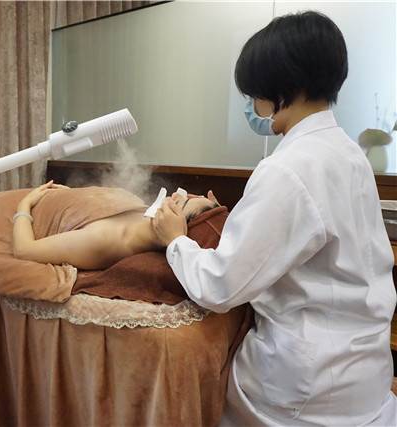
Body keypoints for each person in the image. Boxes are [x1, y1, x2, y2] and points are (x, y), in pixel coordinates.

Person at [153, 11, 397, 426]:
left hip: (305, 385)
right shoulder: (346, 153)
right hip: (364, 370)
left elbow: (219, 286)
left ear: (278, 87)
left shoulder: (289, 168)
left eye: (253, 93)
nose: (253, 105)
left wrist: (175, 239)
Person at [12, 181, 219, 270]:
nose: (175, 195)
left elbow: (24, 250)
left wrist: (24, 204)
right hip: (45, 196)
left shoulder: (102, 239)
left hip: (20, 210)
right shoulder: (143, 212)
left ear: (176, 231)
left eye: (181, 203)